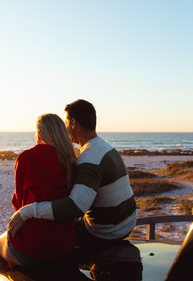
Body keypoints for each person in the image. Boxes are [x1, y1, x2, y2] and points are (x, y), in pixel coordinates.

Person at [8, 99, 137, 249]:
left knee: (55, 233)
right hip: (127, 221)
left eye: (66, 123)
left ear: (73, 123)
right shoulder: (105, 147)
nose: (65, 128)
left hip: (107, 231)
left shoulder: (90, 157)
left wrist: (27, 211)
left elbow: (77, 206)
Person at [0, 113, 77, 279]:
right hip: (64, 244)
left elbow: (18, 202)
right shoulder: (70, 159)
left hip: (34, 247)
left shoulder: (27, 157)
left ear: (39, 134)